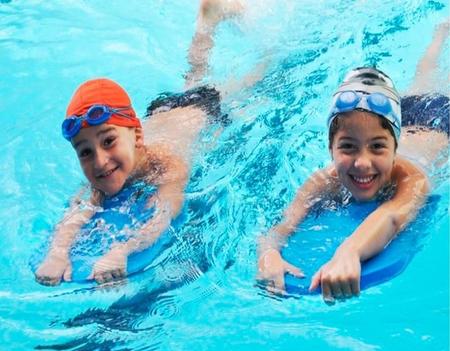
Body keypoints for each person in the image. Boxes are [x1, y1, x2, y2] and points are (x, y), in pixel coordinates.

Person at [35, 0, 244, 286]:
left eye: (108, 141)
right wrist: (57, 254)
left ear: (135, 137)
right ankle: (206, 24)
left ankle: (228, 35)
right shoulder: (99, 179)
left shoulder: (167, 165)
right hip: (161, 111)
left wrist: (122, 249)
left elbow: (164, 214)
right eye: (85, 151)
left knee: (244, 83)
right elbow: (75, 215)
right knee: (193, 77)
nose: (99, 160)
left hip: (204, 111)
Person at [257, 20, 449, 303]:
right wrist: (268, 254)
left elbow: (393, 216)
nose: (362, 163)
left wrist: (349, 252)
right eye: (348, 147)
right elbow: (281, 226)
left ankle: (441, 34)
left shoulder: (412, 178)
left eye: (377, 148)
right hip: (403, 115)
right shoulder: (324, 180)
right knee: (423, 78)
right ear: (331, 149)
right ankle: (440, 35)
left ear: (394, 149)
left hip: (443, 123)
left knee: (431, 78)